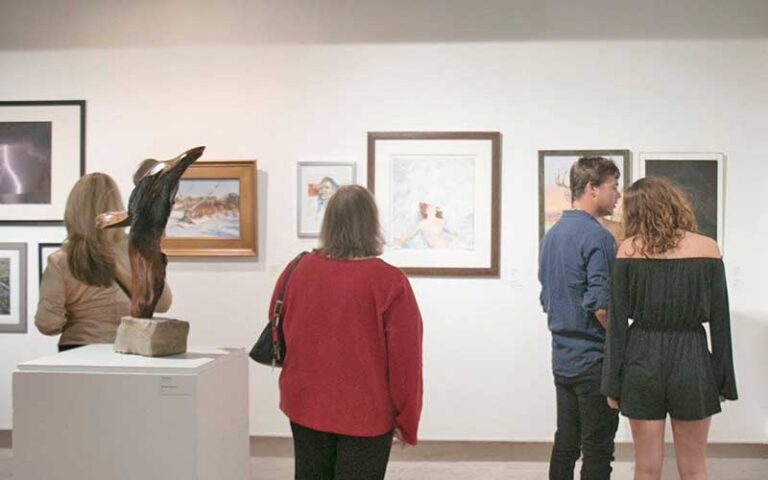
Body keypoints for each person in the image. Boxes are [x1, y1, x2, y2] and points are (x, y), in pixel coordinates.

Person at [273, 184, 423, 480]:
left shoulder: (298, 269)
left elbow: (279, 329)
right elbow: (406, 362)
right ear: (371, 225)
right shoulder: (390, 282)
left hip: (305, 405)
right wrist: (407, 419)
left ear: (328, 222)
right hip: (365, 413)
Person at [602, 177, 737, 480]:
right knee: (694, 468)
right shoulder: (707, 248)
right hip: (691, 357)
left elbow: (617, 325)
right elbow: (720, 321)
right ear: (675, 204)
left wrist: (611, 381)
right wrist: (723, 379)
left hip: (642, 357)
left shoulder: (628, 251)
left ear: (636, 211)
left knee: (647, 468)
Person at [539, 156, 622, 479]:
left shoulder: (552, 235)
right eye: (612, 187)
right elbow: (601, 306)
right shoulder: (599, 238)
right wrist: (621, 344)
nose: (616, 196)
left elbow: (547, 296)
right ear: (591, 188)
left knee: (566, 442)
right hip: (592, 358)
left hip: (562, 356)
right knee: (598, 447)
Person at [35, 172, 172, 351]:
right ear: (116, 207)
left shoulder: (61, 260)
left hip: (77, 351)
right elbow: (163, 304)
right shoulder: (137, 249)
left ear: (73, 209)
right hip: (130, 348)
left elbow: (48, 324)